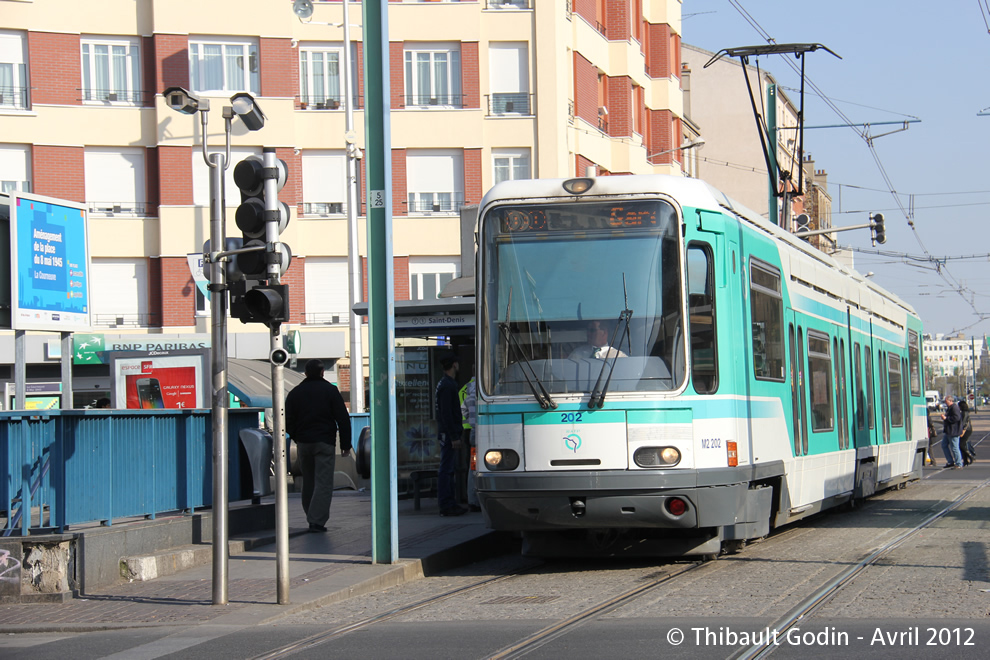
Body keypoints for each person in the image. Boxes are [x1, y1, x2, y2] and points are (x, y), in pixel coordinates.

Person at [285, 359, 352, 532]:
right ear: (322, 372)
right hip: (324, 442)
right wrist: (346, 444)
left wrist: (297, 436)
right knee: (323, 482)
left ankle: (311, 516)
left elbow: (288, 420)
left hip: (304, 443)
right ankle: (316, 520)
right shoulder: (330, 390)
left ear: (305, 373)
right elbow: (342, 418)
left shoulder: (295, 393)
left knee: (308, 481)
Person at [435, 353, 467, 517]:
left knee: (447, 468)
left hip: (446, 433)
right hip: (448, 434)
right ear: (454, 365)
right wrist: (454, 435)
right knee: (447, 469)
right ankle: (447, 504)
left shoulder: (444, 384)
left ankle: (448, 503)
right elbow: (447, 413)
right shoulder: (448, 386)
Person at [459, 370, 479, 511]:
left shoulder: (466, 390)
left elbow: (463, 410)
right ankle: (475, 500)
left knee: (473, 466)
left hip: (471, 431)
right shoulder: (483, 389)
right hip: (479, 431)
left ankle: (472, 499)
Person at [940, 394, 963, 469]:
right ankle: (950, 461)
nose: (945, 403)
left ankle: (958, 463)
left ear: (950, 401)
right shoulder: (950, 408)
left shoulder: (954, 408)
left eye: (946, 401)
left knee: (955, 447)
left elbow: (956, 418)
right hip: (949, 431)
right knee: (944, 445)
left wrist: (946, 418)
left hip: (953, 431)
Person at [959, 399, 976, 466]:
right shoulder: (964, 412)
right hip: (967, 430)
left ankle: (970, 456)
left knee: (961, 445)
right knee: (962, 445)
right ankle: (965, 460)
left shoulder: (964, 413)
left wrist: (962, 431)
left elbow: (964, 423)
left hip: (966, 430)